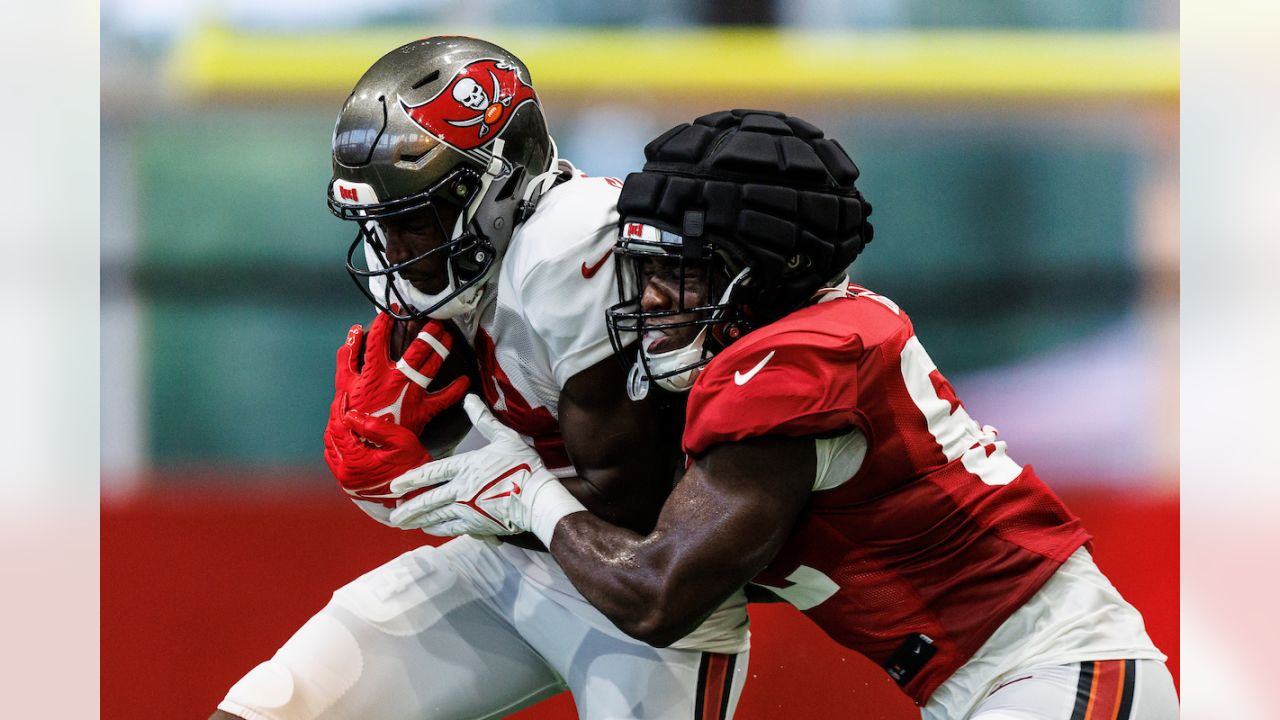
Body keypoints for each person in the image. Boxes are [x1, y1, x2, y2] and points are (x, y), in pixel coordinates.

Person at [388, 109, 1180, 719]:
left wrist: (526, 491)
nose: (652, 299)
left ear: (772, 274)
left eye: (686, 273)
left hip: (1054, 671)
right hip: (1011, 680)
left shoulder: (798, 365)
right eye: (647, 268)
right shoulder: (805, 340)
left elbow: (660, 596)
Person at [212, 39, 750, 720]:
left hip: (636, 588)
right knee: (271, 707)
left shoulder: (566, 246)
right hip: (513, 563)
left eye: (411, 218)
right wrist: (407, 463)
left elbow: (632, 500)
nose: (397, 251)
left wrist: (477, 492)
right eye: (381, 222)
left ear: (497, 184)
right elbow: (493, 463)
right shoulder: (458, 264)